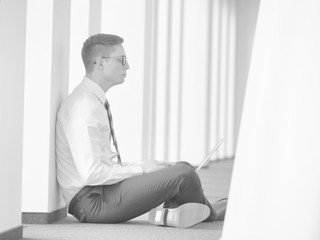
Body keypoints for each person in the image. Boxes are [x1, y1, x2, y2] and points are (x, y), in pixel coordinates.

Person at [55, 33, 227, 228]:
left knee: (180, 167)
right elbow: (92, 174)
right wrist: (142, 170)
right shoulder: (83, 108)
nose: (127, 66)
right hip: (92, 202)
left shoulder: (93, 101)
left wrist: (145, 166)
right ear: (100, 63)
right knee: (184, 175)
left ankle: (175, 212)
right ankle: (209, 212)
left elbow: (102, 164)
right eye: (122, 60)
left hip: (103, 191)